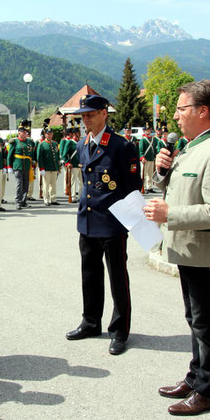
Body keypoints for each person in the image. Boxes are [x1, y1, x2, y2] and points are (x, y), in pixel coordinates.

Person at [144, 80, 210, 416]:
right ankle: (195, 376)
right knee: (196, 319)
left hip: (209, 254)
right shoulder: (192, 147)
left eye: (181, 108)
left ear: (203, 111)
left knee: (207, 323)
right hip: (192, 252)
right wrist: (162, 172)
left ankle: (207, 391)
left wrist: (169, 214)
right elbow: (182, 189)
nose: (175, 116)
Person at [65, 95, 141, 356]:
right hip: (87, 220)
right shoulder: (82, 144)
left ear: (104, 114)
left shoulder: (121, 146)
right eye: (83, 115)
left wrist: (132, 223)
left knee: (118, 278)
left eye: (90, 114)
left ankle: (120, 331)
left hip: (112, 224)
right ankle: (90, 322)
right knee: (90, 275)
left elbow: (132, 189)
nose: (85, 118)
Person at [6, 120, 36, 210]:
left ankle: (23, 201)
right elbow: (10, 155)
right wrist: (9, 166)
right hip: (17, 166)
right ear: (19, 133)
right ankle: (18, 202)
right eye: (23, 132)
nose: (24, 134)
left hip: (26, 166)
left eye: (25, 132)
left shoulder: (29, 142)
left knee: (26, 184)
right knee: (19, 184)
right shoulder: (14, 142)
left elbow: (32, 152)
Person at [37, 125, 61, 206]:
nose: (50, 135)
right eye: (48, 134)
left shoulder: (54, 143)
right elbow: (39, 157)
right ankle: (46, 199)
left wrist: (58, 166)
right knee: (46, 184)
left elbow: (57, 156)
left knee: (53, 184)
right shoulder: (42, 144)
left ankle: (53, 199)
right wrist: (41, 168)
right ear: (45, 134)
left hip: (54, 167)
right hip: (46, 168)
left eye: (51, 134)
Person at [61, 126, 81, 203]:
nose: (77, 135)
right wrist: (67, 162)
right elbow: (64, 154)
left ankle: (80, 196)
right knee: (73, 181)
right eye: (75, 134)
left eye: (78, 133)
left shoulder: (81, 142)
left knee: (81, 182)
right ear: (72, 134)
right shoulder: (69, 142)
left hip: (81, 165)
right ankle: (73, 196)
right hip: (73, 165)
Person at [139, 128, 160, 193]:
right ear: (144, 131)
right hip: (145, 159)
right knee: (144, 174)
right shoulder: (143, 139)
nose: (148, 131)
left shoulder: (153, 139)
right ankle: (143, 187)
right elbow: (141, 149)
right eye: (147, 130)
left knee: (150, 174)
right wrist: (142, 157)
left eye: (149, 130)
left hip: (151, 158)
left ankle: (149, 187)